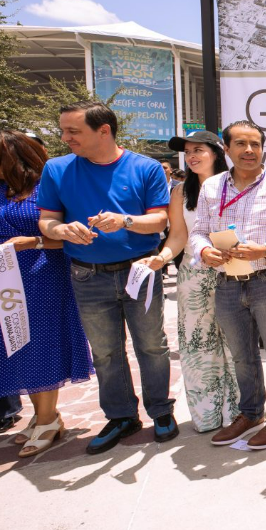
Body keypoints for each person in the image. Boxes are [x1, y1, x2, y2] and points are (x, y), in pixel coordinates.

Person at [37, 100, 176, 453]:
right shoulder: (56, 169)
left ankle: (161, 410)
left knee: (152, 345)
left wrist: (124, 220)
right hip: (87, 275)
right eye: (63, 130)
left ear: (103, 131)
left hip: (140, 271)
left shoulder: (145, 167)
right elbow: (47, 220)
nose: (65, 138)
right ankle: (122, 417)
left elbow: (159, 221)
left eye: (73, 131)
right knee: (105, 352)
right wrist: (61, 229)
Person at [190, 120, 266, 450]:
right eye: (240, 143)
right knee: (242, 355)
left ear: (263, 148)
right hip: (227, 282)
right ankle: (251, 414)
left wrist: (265, 249)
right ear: (226, 149)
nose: (249, 150)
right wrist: (204, 251)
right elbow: (198, 232)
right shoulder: (212, 187)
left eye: (255, 144)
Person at [0, 131, 93, 457]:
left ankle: (47, 419)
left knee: (42, 345)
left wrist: (32, 242)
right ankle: (44, 415)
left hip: (41, 276)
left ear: (9, 156)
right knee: (16, 344)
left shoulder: (48, 187)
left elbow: (75, 235)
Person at [135, 131, 238, 433]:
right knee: (198, 344)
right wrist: (162, 257)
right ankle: (208, 414)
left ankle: (242, 411)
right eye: (188, 152)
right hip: (193, 275)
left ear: (216, 153)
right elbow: (178, 235)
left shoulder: (236, 185)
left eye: (198, 150)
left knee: (236, 343)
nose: (191, 156)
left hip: (233, 271)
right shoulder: (181, 192)